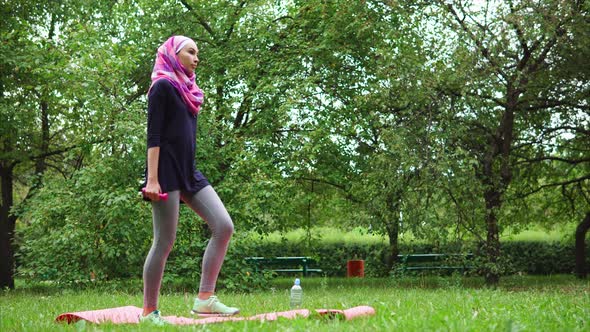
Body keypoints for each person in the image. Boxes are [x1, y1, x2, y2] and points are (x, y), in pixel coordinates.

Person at [140, 35, 239, 326]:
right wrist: (153, 180)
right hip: (165, 173)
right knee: (164, 241)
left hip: (188, 171)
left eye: (198, 54)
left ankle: (205, 299)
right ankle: (149, 312)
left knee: (224, 226)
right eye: (191, 52)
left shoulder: (187, 89)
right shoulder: (162, 86)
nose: (196, 58)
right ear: (173, 54)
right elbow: (154, 137)